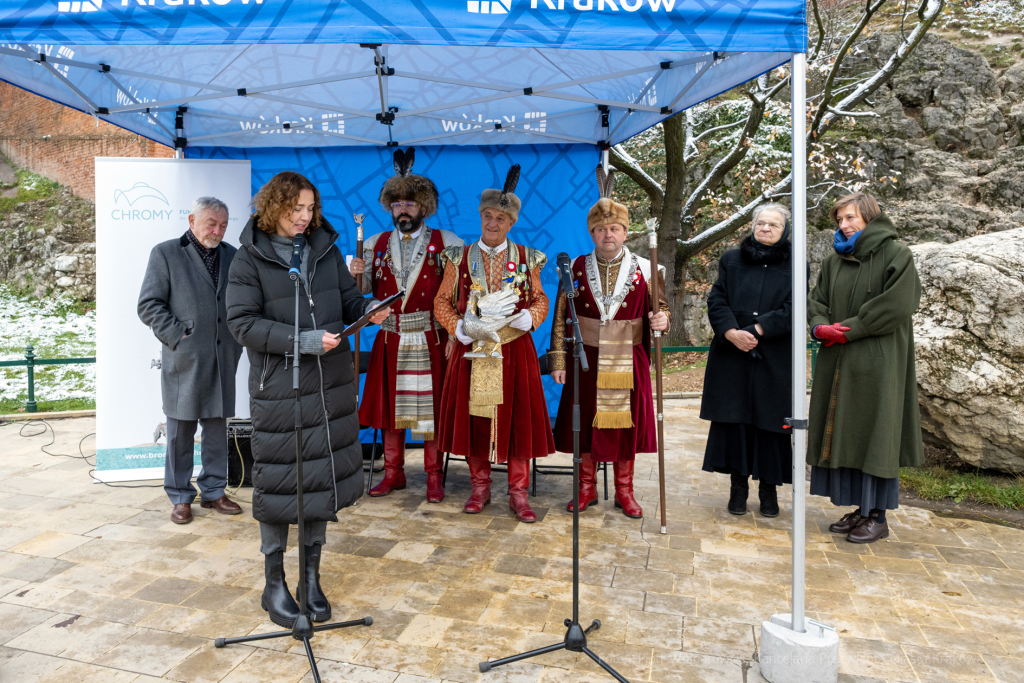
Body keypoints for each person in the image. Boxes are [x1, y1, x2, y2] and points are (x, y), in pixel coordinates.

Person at [226, 172, 390, 627]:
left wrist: (369, 310)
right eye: (295, 208)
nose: (304, 217)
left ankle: (310, 578)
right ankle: (274, 581)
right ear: (273, 206)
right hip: (279, 388)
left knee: (319, 479)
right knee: (279, 481)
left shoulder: (325, 249)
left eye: (309, 208)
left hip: (329, 388)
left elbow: (345, 301)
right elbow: (242, 324)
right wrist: (302, 341)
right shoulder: (248, 259)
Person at [433, 163, 555, 523]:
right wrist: (457, 328)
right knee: (475, 421)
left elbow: (542, 300)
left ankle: (518, 492)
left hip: (515, 351)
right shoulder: (457, 258)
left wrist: (530, 318)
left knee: (516, 421)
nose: (493, 223)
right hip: (471, 351)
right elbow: (441, 302)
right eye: (487, 215)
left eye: (501, 218)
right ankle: (479, 487)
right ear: (481, 216)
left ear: (511, 223)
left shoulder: (528, 258)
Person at [549, 164, 669, 519]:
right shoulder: (572, 269)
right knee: (584, 422)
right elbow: (561, 317)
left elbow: (659, 311)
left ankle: (624, 491)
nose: (607, 235)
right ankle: (585, 487)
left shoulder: (649, 269)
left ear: (625, 232)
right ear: (591, 233)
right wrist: (558, 359)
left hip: (628, 359)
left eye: (614, 228)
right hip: (583, 357)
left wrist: (663, 319)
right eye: (600, 229)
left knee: (624, 425)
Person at [807, 192, 923, 544]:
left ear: (869, 218)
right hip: (838, 360)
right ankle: (860, 508)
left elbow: (899, 304)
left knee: (875, 433)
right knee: (845, 433)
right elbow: (817, 300)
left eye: (850, 218)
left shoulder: (896, 254)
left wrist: (850, 331)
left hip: (878, 361)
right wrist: (818, 326)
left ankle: (878, 516)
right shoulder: (834, 260)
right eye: (840, 220)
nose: (843, 225)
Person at [349, 148, 463, 503]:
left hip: (432, 336)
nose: (403, 209)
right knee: (389, 411)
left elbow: (459, 297)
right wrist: (356, 276)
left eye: (409, 204)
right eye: (397, 204)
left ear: (423, 207)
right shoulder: (373, 244)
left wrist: (454, 336)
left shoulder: (449, 244)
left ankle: (433, 476)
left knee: (431, 411)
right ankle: (394, 473)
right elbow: (363, 293)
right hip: (391, 338)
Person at [138, 196, 244, 525]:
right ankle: (180, 496)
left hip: (223, 355)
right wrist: (177, 335)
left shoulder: (233, 256)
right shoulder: (165, 253)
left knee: (216, 429)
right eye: (211, 223)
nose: (217, 230)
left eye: (223, 225)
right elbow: (149, 304)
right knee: (179, 432)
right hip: (184, 359)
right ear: (191, 220)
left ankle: (214, 491)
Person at [699, 203, 799, 518]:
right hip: (733, 356)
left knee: (772, 425)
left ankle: (769, 491)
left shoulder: (796, 263)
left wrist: (757, 328)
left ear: (785, 231)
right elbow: (716, 299)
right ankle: (738, 490)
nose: (766, 228)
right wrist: (730, 332)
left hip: (774, 357)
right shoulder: (731, 259)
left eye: (774, 225)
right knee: (736, 423)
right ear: (753, 225)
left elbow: (794, 307)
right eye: (761, 223)